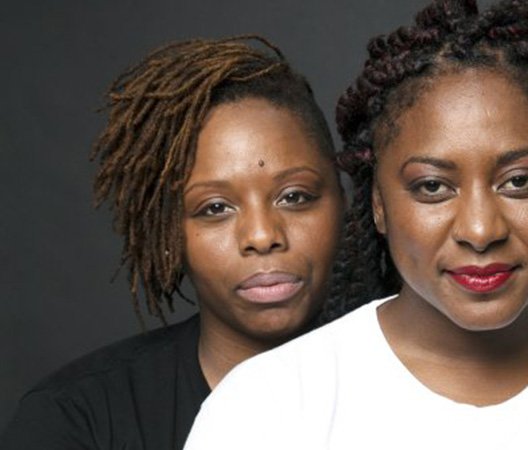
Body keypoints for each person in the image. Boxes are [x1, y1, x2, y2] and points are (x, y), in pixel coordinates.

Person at [184, 1, 528, 449]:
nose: (480, 228)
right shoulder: (264, 411)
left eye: (519, 182)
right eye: (432, 187)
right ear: (377, 203)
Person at [0, 36, 344, 450]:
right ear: (168, 231)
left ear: (345, 201)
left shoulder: (423, 392)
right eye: (215, 207)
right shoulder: (78, 419)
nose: (262, 236)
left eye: (295, 197)